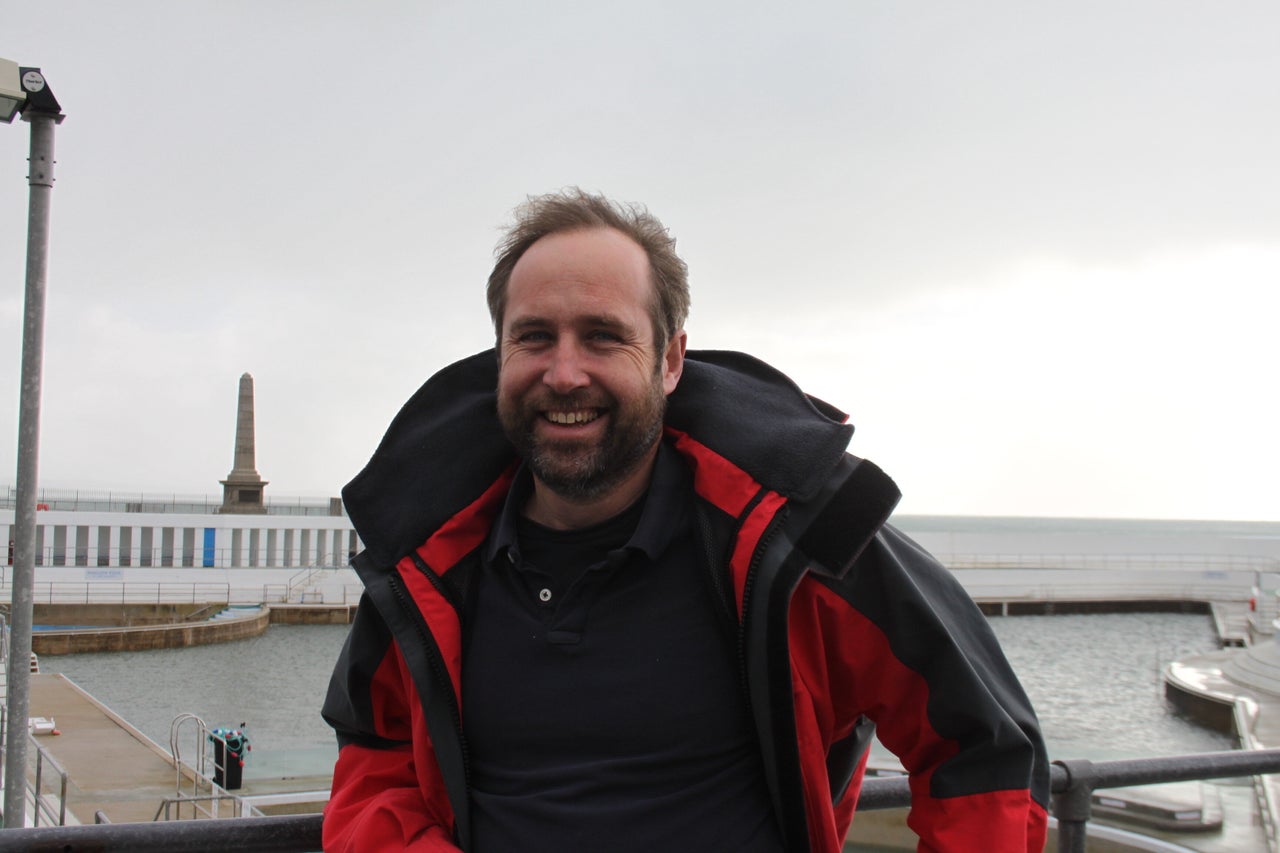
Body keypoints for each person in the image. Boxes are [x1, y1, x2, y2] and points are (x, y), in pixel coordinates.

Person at [322, 189, 1050, 852]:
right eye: (534, 336)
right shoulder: (424, 563)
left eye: (603, 336)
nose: (565, 372)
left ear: (670, 360)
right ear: (499, 356)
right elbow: (374, 760)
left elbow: (983, 743)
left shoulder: (794, 537)